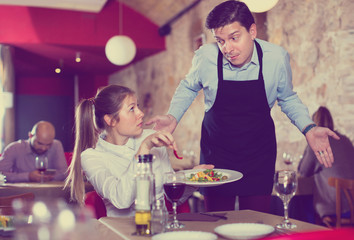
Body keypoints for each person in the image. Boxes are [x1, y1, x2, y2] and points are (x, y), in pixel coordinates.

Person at [146, 0, 339, 213]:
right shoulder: (206, 57)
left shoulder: (276, 58)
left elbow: (287, 98)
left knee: (257, 222)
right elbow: (188, 87)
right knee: (217, 220)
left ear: (252, 31)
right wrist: (173, 116)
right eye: (220, 41)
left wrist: (309, 128)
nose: (227, 48)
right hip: (216, 154)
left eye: (234, 38)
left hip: (258, 156)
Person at [65, 85, 211, 217]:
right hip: (123, 233)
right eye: (131, 108)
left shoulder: (149, 138)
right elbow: (121, 200)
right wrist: (144, 149)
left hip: (162, 228)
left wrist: (193, 178)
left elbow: (171, 197)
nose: (140, 113)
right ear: (111, 120)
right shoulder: (91, 157)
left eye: (138, 106)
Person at [298, 106, 354, 225]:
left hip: (334, 210)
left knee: (300, 202)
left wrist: (309, 143)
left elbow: (303, 172)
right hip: (352, 206)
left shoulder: (317, 143)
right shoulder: (345, 140)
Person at [0, 121, 68, 182]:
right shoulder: (14, 148)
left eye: (49, 144)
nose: (44, 148)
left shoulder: (56, 145)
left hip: (49, 193)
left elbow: (64, 174)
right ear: (30, 136)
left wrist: (44, 177)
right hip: (21, 193)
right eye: (40, 143)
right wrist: (27, 176)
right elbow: (0, 175)